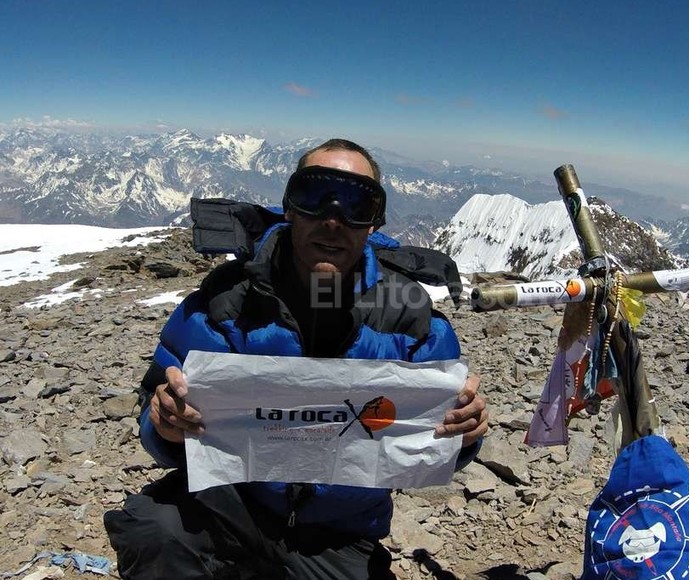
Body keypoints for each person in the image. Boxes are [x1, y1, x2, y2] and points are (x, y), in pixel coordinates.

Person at [104, 138, 488, 579]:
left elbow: (437, 439)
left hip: (338, 533)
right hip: (230, 504)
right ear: (288, 207)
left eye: (357, 204)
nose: (332, 220)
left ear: (373, 224)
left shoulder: (411, 318)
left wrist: (464, 433)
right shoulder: (227, 302)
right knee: (157, 528)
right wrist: (165, 424)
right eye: (313, 197)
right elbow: (154, 416)